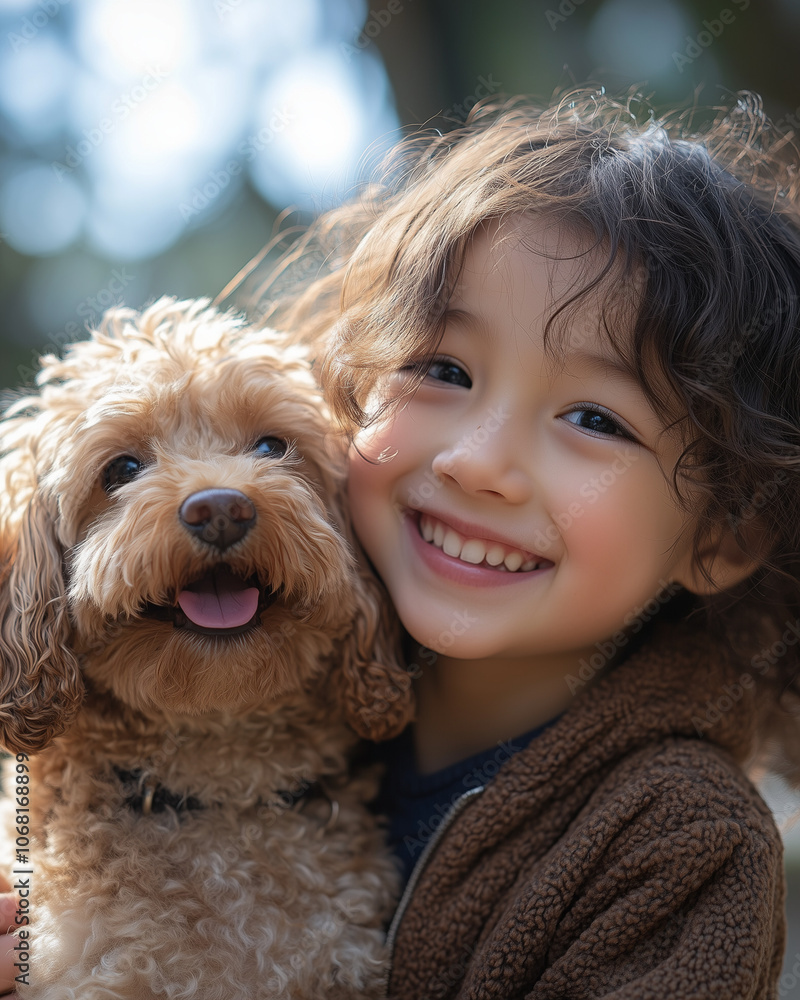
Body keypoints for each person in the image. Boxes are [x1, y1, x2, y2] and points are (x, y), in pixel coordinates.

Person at [2, 88, 800, 997]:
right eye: (444, 370)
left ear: (729, 532)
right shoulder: (63, 813)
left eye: (593, 417)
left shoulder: (679, 847)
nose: (477, 462)